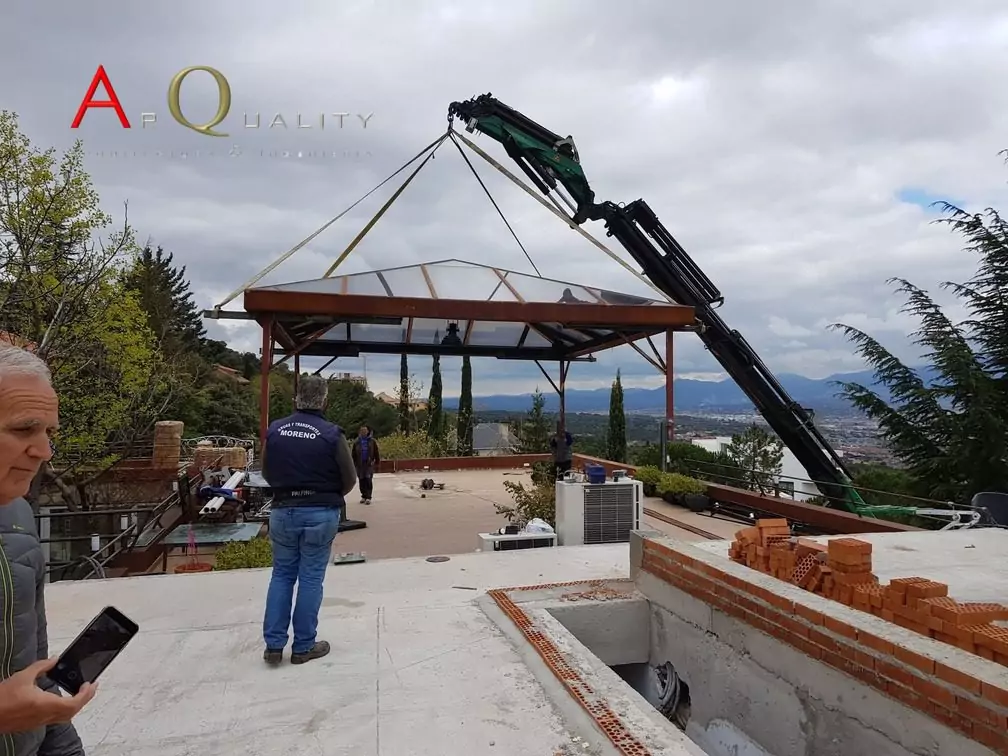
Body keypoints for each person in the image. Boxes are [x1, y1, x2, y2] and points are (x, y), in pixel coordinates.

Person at [0, 345, 93, 755]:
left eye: (48, 433)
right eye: (24, 430)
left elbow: (34, 668)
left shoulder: (19, 516)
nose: (44, 452)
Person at [260, 375, 356, 666]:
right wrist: (329, 496)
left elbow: (266, 472)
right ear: (325, 401)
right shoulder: (331, 434)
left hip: (282, 510)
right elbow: (349, 478)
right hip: (320, 512)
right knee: (311, 578)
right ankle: (303, 647)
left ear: (295, 400)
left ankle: (274, 646)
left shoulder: (275, 431)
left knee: (282, 575)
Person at [350, 425, 380, 505]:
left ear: (367, 432)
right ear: (360, 432)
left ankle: (368, 497)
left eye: (365, 431)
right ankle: (363, 496)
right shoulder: (357, 442)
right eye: (362, 431)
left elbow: (376, 452)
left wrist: (377, 462)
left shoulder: (372, 441)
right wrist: (353, 464)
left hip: (369, 464)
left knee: (368, 480)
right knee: (361, 480)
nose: (363, 432)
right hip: (360, 464)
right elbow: (353, 454)